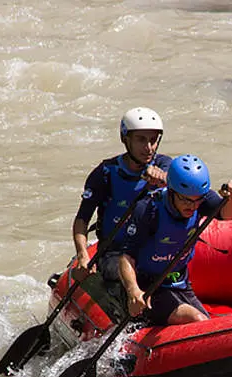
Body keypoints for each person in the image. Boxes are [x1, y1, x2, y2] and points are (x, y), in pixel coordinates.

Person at [118, 154, 232, 326]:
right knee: (197, 320)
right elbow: (126, 258)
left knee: (206, 324)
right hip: (148, 286)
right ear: (171, 191)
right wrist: (133, 291)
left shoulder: (200, 198)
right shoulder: (148, 209)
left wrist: (231, 199)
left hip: (179, 281)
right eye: (185, 200)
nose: (192, 206)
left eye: (197, 200)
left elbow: (229, 215)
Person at [72, 107, 172, 283]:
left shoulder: (164, 164)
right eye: (141, 140)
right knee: (131, 274)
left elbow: (171, 176)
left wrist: (163, 177)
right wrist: (82, 255)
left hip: (152, 250)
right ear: (126, 139)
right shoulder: (105, 173)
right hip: (114, 253)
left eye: (153, 140)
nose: (148, 147)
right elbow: (82, 219)